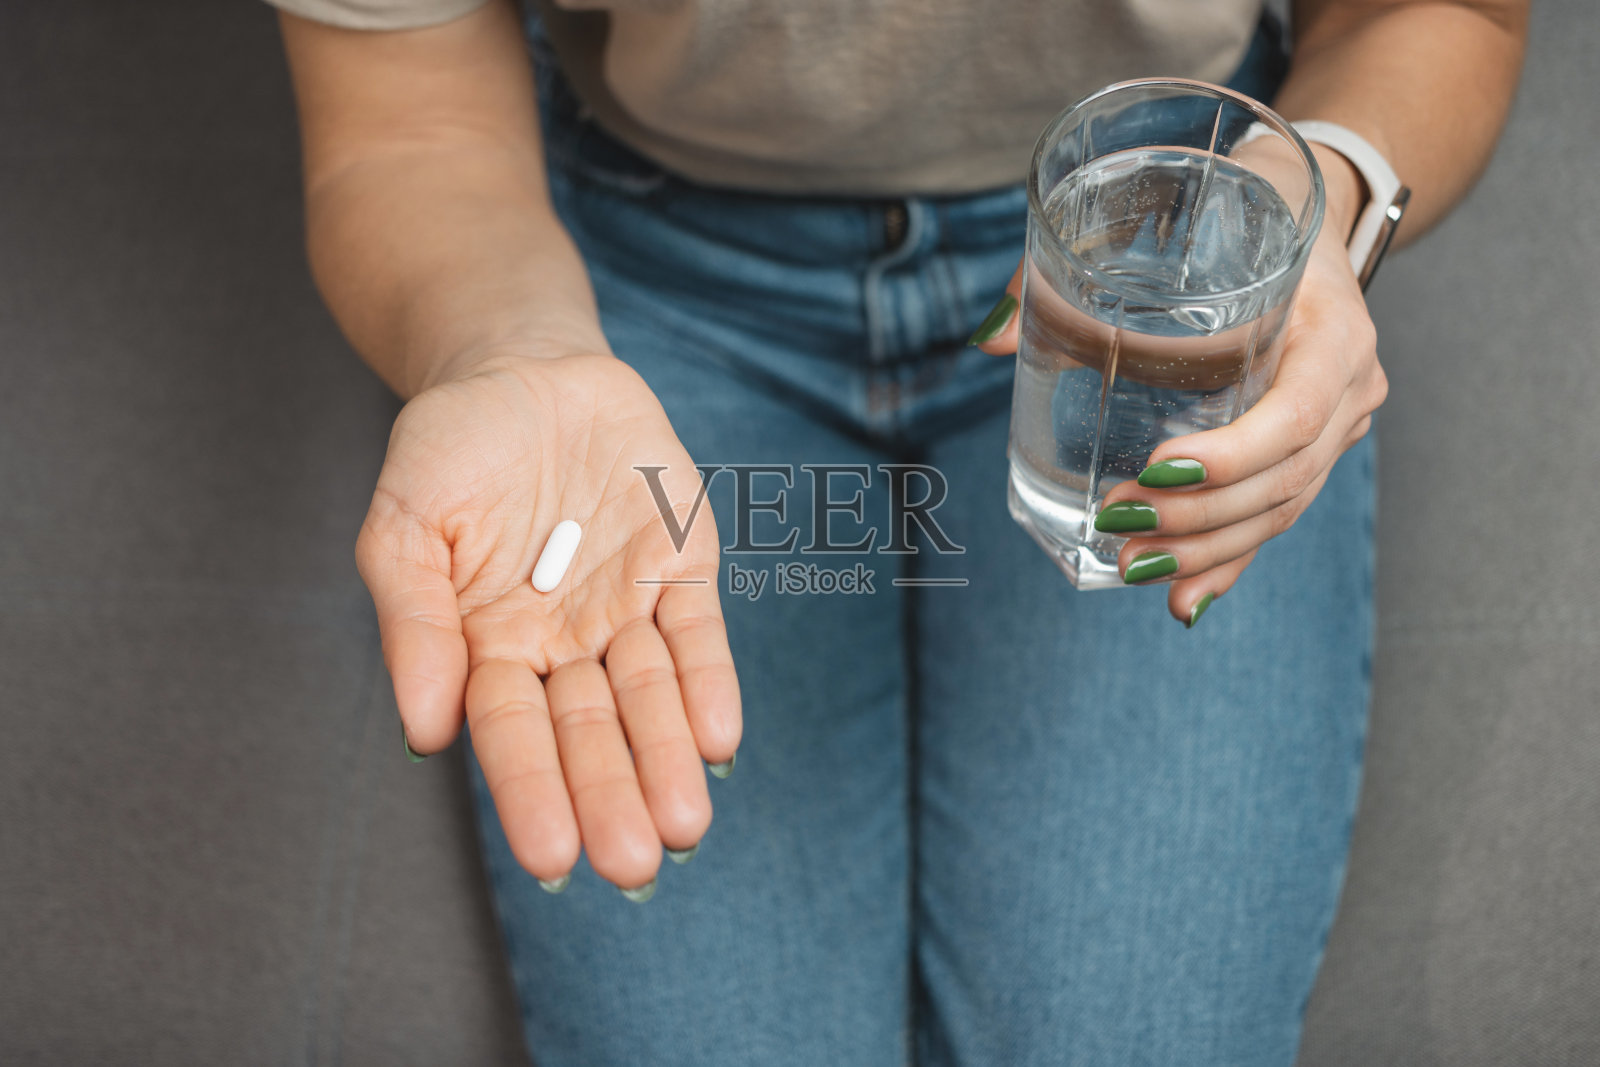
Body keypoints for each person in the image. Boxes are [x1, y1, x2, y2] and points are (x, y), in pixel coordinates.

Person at [268, 0, 1527, 1062]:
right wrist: (507, 348)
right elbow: (405, 118)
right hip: (644, 280)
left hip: (1164, 238)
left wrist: (1318, 207)